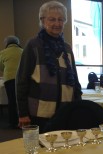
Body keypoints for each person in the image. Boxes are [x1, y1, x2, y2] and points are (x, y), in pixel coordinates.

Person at [16, 1, 82, 132]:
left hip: (65, 112)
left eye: (61, 20)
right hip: (39, 113)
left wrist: (77, 107)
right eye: (52, 19)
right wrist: (22, 113)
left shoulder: (67, 48)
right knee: (41, 150)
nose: (57, 24)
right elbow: (22, 81)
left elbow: (75, 82)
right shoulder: (33, 45)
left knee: (65, 149)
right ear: (42, 20)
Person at [0, 36, 23, 128]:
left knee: (12, 100)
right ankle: (25, 120)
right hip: (22, 78)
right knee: (22, 100)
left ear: (6, 44)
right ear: (17, 42)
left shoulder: (2, 53)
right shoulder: (23, 51)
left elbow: (1, 67)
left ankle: (13, 122)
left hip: (9, 78)